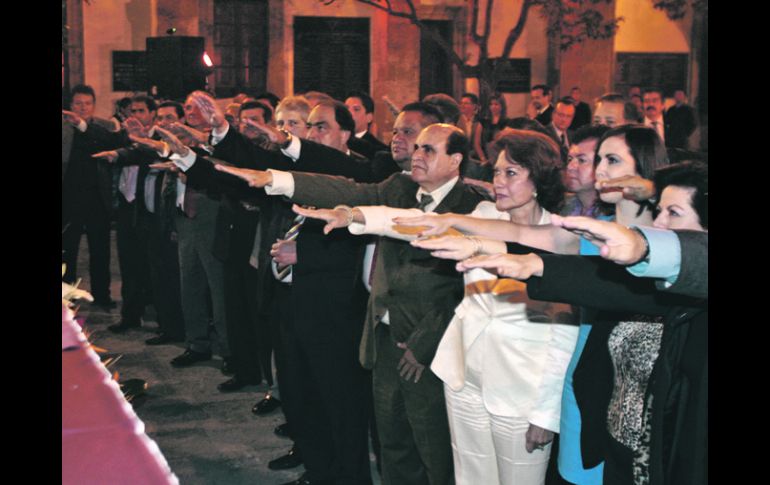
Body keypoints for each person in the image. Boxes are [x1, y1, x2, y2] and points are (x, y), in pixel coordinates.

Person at [290, 129, 579, 485]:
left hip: (520, 391)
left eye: (511, 173)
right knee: (470, 478)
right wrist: (355, 217)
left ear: (539, 180)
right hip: (464, 380)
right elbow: (418, 229)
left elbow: (564, 335)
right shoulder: (485, 212)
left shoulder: (564, 238)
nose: (498, 182)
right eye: (497, 172)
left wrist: (546, 413)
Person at [395, 124, 670, 485]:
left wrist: (519, 261)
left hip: (634, 394)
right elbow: (525, 238)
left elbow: (545, 271)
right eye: (598, 159)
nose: (600, 170)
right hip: (584, 382)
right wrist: (453, 223)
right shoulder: (590, 228)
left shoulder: (666, 243)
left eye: (612, 160)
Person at [214, 123, 487, 485]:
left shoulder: (472, 207)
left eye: (428, 150)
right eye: (417, 147)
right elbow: (347, 189)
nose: (417, 155)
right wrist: (273, 179)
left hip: (430, 348)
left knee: (436, 448)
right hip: (385, 338)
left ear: (455, 161)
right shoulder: (399, 187)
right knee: (393, 444)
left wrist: (425, 343)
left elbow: (464, 289)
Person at [456, 162, 707, 484]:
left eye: (674, 213)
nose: (658, 223)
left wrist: (642, 246)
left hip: (672, 460)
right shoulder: (659, 284)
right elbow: (600, 280)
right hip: (620, 452)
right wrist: (530, 263)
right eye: (659, 210)